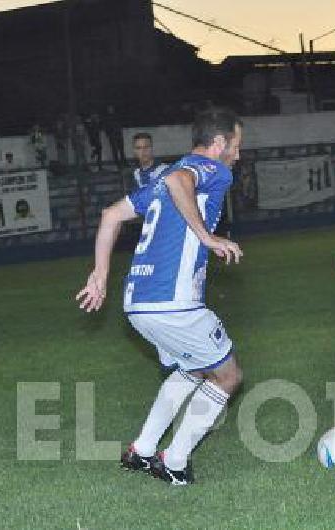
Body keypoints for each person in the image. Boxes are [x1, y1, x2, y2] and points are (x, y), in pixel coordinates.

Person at [75, 108, 245, 486]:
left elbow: (109, 215)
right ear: (218, 144)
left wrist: (100, 275)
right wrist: (206, 236)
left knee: (193, 368)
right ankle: (175, 460)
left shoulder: (162, 176)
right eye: (235, 146)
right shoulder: (211, 170)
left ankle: (143, 450)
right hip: (173, 301)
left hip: (137, 303)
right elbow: (182, 181)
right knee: (229, 375)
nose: (238, 154)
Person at [102, 104, 126, 169]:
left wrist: (120, 131)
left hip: (118, 134)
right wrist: (109, 134)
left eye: (111, 109)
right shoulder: (107, 118)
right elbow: (105, 127)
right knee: (115, 150)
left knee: (121, 149)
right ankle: (118, 163)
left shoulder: (116, 116)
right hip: (112, 135)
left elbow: (120, 124)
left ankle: (124, 162)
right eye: (109, 109)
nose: (111, 110)